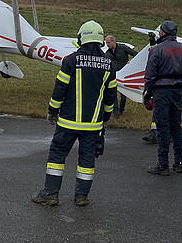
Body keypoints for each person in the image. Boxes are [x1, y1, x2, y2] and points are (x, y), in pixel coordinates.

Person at [32, 20, 117, 207]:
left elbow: (59, 90)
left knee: (56, 156)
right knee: (86, 161)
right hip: (93, 125)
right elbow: (110, 97)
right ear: (101, 40)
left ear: (81, 38)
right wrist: (105, 117)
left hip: (67, 123)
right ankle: (81, 197)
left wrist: (52, 112)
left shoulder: (70, 61)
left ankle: (50, 194)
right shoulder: (109, 64)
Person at [144, 21, 182, 175]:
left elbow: (150, 73)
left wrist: (148, 92)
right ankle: (179, 163)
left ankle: (163, 164)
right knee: (176, 127)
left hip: (161, 91)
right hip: (177, 91)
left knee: (163, 127)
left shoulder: (157, 50)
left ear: (163, 32)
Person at [104, 35, 138, 117]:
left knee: (123, 95)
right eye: (106, 43)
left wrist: (131, 62)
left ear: (113, 41)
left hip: (124, 74)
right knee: (113, 93)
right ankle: (116, 112)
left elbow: (136, 54)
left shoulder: (123, 47)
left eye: (108, 42)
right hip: (114, 75)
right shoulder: (107, 53)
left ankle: (121, 109)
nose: (107, 44)